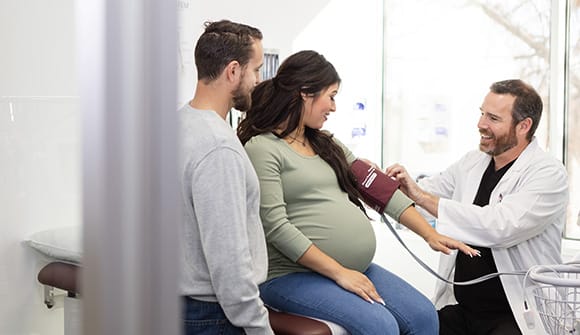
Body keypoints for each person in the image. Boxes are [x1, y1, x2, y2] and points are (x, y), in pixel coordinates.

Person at [237, 50, 478, 335]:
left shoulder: (326, 143)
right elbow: (277, 228)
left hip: (352, 268)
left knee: (424, 316)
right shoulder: (263, 148)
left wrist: (430, 234)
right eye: (332, 96)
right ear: (305, 92)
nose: (334, 107)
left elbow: (379, 188)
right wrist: (340, 274)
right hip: (291, 275)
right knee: (381, 326)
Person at [386, 79, 569, 335]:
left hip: (517, 316)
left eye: (493, 118)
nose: (481, 124)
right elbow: (426, 195)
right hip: (463, 310)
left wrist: (422, 197)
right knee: (412, 327)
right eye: (482, 114)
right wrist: (380, 184)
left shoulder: (548, 173)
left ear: (524, 126)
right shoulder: (472, 162)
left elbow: (500, 226)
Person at [178, 19, 274, 335]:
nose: (258, 81)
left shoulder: (178, 126)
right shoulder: (218, 148)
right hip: (211, 316)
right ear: (233, 71)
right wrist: (260, 328)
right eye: (256, 70)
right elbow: (229, 265)